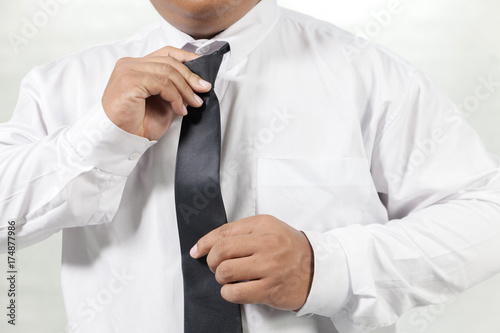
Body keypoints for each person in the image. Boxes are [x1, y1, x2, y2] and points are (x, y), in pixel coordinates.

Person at [1, 0, 500, 332]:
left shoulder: (372, 77)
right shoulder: (62, 86)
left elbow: (485, 216)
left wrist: (325, 266)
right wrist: (102, 134)